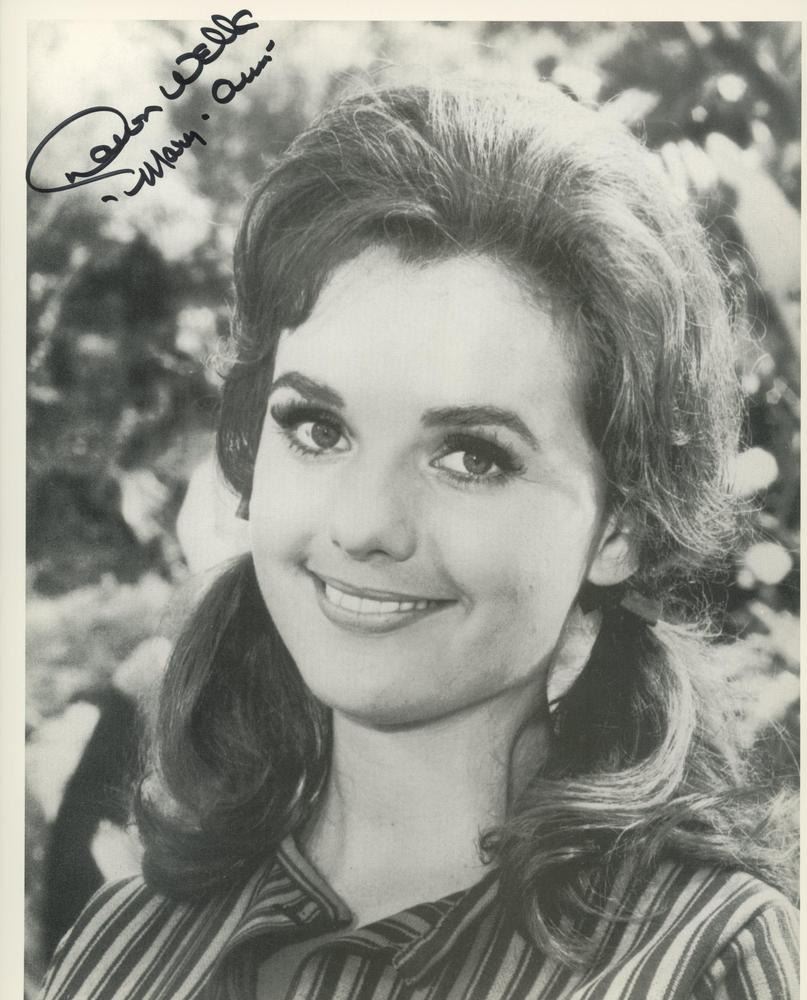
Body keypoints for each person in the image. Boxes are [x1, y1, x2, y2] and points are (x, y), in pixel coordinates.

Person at [39, 78, 798, 1000]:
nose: (363, 523)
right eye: (317, 428)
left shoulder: (704, 961)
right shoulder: (125, 945)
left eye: (471, 456)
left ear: (621, 525)